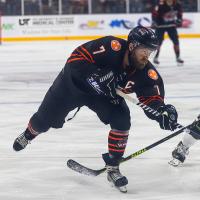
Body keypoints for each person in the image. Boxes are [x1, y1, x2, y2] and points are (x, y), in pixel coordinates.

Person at [13, 26, 179, 193]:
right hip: (72, 85)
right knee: (43, 121)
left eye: (150, 52)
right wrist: (93, 76)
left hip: (103, 95)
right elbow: (76, 57)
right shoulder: (111, 46)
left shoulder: (147, 73)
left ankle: (113, 166)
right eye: (144, 50)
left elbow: (152, 98)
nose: (147, 56)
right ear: (131, 46)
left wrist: (161, 112)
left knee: (121, 119)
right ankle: (29, 134)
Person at [151, 0, 184, 65]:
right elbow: (154, 13)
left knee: (176, 41)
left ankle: (178, 57)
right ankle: (156, 57)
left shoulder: (177, 4)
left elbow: (180, 13)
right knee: (158, 43)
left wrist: (179, 19)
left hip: (171, 26)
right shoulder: (160, 4)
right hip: (160, 26)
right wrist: (154, 21)